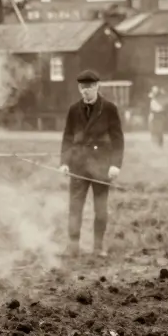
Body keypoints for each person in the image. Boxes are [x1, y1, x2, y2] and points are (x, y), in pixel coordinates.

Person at [58, 70, 124, 257]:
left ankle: (97, 247)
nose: (85, 91)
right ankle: (73, 246)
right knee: (75, 208)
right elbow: (68, 137)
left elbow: (118, 139)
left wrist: (115, 165)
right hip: (78, 167)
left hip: (102, 167)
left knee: (101, 210)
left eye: (88, 87)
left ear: (97, 87)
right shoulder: (73, 109)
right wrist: (64, 162)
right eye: (82, 87)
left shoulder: (109, 109)